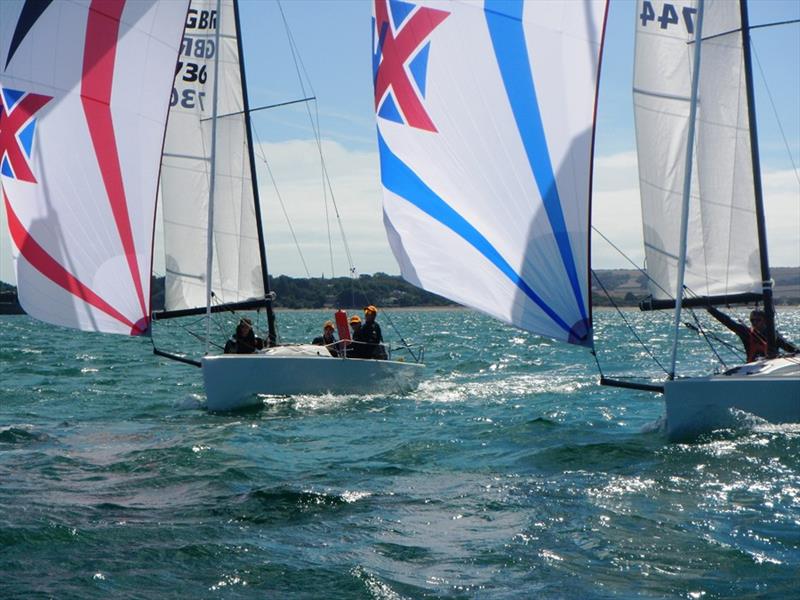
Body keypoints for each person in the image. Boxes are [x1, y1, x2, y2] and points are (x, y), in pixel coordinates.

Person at [706, 306, 798, 363]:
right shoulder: (746, 333)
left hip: (771, 366)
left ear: (765, 321)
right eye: (752, 320)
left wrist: (796, 351)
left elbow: (788, 346)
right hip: (753, 368)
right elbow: (728, 322)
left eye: (758, 320)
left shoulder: (773, 334)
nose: (754, 322)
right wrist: (710, 309)